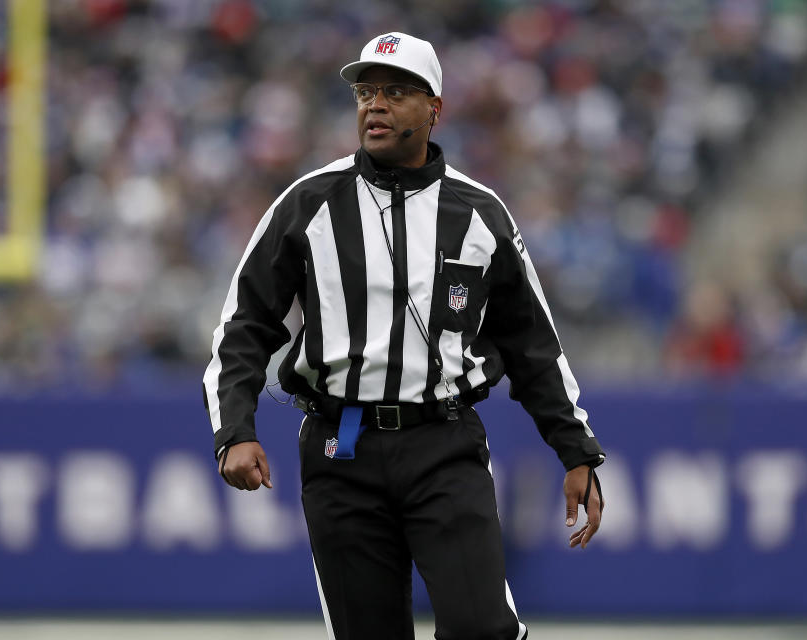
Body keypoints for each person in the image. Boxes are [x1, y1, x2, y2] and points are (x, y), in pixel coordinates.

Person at [203, 32, 606, 640]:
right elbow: (243, 326)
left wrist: (575, 449)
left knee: (481, 630)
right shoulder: (308, 203)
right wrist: (235, 429)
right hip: (341, 446)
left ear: (434, 108)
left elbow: (532, 345)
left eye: (395, 91)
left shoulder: (480, 214)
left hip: (442, 444)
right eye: (366, 92)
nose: (375, 105)